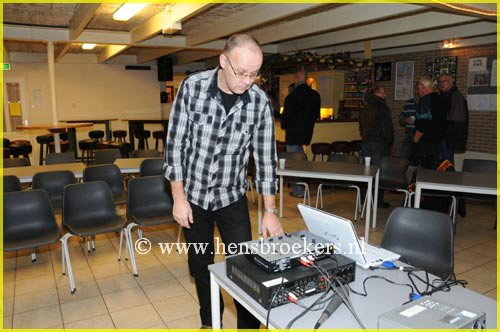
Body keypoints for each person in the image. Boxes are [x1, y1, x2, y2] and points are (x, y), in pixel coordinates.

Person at [164, 34, 283, 329]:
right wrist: (178, 198)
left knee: (246, 268)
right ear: (223, 61)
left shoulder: (259, 103)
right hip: (193, 198)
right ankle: (210, 321)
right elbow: (175, 146)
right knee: (201, 266)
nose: (247, 81)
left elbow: (266, 159)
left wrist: (270, 210)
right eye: (241, 72)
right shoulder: (193, 88)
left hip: (232, 198)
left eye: (254, 74)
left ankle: (248, 326)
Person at [280, 70, 321, 197]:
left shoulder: (292, 96)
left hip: (293, 132)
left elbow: (286, 116)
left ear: (297, 78)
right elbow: (316, 114)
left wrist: (284, 125)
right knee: (301, 158)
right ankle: (305, 183)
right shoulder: (314, 95)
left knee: (294, 162)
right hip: (306, 132)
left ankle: (298, 190)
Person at [359, 85, 393, 208]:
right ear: (378, 93)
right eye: (384, 91)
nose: (386, 94)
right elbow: (387, 127)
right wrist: (389, 141)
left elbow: (361, 126)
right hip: (379, 143)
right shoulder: (383, 107)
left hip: (366, 142)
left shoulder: (365, 107)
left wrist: (364, 137)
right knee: (378, 172)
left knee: (366, 172)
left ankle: (363, 199)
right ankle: (377, 201)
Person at [412, 74, 447, 168]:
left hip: (426, 144)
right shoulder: (441, 98)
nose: (418, 91)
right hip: (439, 142)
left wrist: (415, 140)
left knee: (423, 174)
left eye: (418, 88)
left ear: (422, 87)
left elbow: (423, 123)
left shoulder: (425, 101)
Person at [438, 73, 469, 164]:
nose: (441, 83)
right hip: (443, 137)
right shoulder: (444, 96)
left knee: (447, 165)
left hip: (448, 139)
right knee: (441, 165)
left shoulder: (456, 96)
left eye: (445, 81)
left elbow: (457, 121)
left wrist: (439, 131)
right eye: (439, 81)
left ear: (451, 82)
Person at [399, 82, 419, 160]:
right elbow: (401, 119)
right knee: (403, 158)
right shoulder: (409, 103)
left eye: (420, 89)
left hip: (422, 136)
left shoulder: (426, 102)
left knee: (417, 160)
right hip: (409, 135)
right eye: (417, 89)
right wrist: (405, 120)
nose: (418, 91)